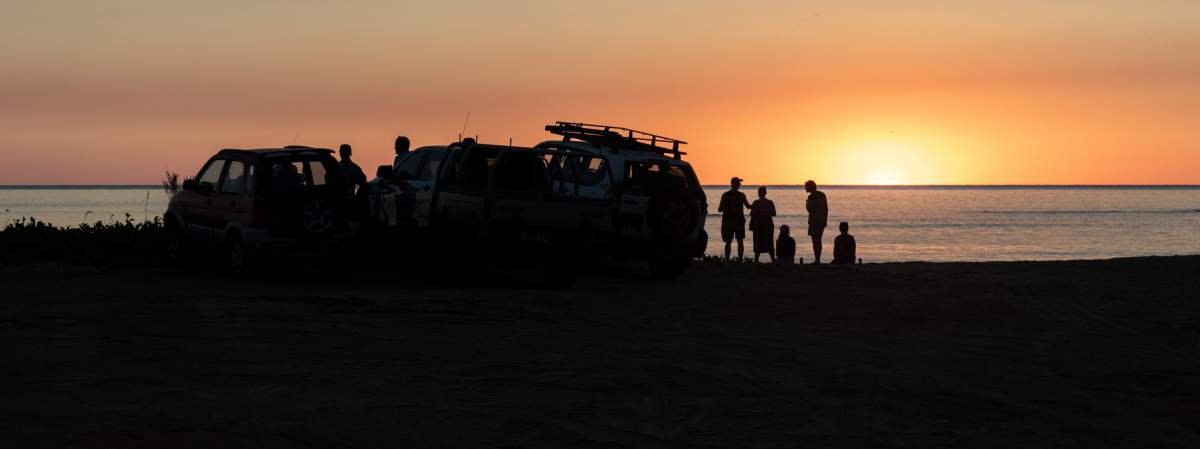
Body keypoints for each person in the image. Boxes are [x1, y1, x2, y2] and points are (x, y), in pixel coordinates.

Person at [717, 177, 751, 259]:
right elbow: (748, 206)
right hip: (739, 221)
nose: (740, 184)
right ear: (737, 184)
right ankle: (740, 259)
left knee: (728, 242)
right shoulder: (741, 195)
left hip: (728, 221)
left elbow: (720, 209)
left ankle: (727, 259)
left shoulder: (725, 195)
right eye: (739, 183)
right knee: (740, 241)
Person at [749, 186, 776, 263]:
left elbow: (752, 214)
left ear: (758, 193)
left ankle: (756, 260)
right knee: (769, 241)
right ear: (765, 193)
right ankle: (773, 260)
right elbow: (774, 213)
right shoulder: (770, 202)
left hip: (758, 224)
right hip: (768, 223)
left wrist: (759, 213)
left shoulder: (756, 202)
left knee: (757, 242)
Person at [804, 180, 828, 264]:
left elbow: (809, 209)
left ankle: (817, 259)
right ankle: (818, 259)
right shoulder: (822, 195)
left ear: (810, 187)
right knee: (819, 240)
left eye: (806, 186)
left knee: (815, 241)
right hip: (821, 220)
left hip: (814, 221)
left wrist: (806, 202)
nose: (805, 188)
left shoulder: (811, 197)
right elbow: (826, 208)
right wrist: (825, 219)